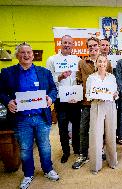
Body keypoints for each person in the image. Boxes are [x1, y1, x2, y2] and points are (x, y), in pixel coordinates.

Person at [0, 42, 59, 189]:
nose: (26, 55)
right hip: (21, 119)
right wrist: (8, 102)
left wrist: (51, 98)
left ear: (33, 55)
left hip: (41, 117)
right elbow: (0, 92)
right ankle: (28, 174)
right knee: (25, 148)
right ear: (17, 55)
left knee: (45, 146)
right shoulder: (7, 72)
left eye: (29, 53)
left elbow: (53, 89)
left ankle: (48, 169)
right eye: (22, 52)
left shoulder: (44, 72)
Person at [46, 35, 81, 163]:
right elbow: (48, 80)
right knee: (62, 127)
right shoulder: (52, 60)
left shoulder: (78, 60)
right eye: (64, 42)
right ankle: (66, 152)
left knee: (77, 127)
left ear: (73, 45)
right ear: (60, 44)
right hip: (61, 100)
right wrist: (59, 77)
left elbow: (80, 79)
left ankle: (77, 149)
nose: (67, 45)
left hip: (75, 99)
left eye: (69, 43)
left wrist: (78, 95)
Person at [86, 54, 118, 175]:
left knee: (111, 133)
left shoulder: (112, 77)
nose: (102, 64)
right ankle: (95, 166)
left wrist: (115, 95)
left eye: (104, 62)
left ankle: (112, 161)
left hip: (110, 105)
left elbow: (115, 93)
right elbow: (88, 95)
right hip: (97, 106)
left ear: (107, 63)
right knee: (96, 136)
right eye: (100, 61)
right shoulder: (91, 78)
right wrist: (95, 95)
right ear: (96, 63)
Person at [72, 37, 100, 169]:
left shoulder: (106, 62)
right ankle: (83, 154)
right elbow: (78, 81)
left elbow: (111, 80)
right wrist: (74, 95)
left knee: (101, 129)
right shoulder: (82, 63)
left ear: (99, 46)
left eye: (95, 45)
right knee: (84, 130)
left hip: (101, 103)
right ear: (87, 48)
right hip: (86, 103)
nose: (93, 48)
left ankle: (100, 150)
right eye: (90, 46)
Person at [100, 38, 122, 146]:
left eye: (107, 45)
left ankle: (116, 136)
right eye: (103, 45)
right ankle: (104, 138)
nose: (105, 47)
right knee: (103, 117)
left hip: (115, 91)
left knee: (116, 115)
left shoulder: (116, 59)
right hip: (102, 92)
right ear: (99, 47)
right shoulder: (98, 60)